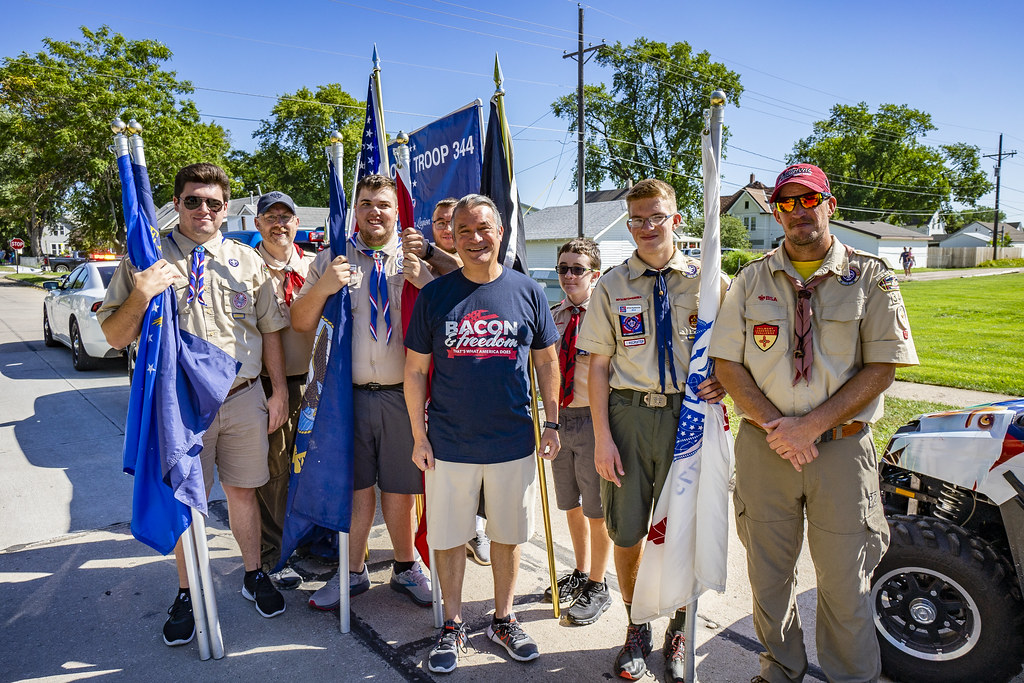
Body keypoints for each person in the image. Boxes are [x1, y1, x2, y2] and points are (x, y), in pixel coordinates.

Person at [711, 163, 919, 683]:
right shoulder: (751, 277)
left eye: (810, 200)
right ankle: (780, 669)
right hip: (765, 447)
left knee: (845, 581)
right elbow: (728, 363)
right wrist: (779, 425)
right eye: (787, 204)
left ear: (830, 205)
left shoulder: (869, 276)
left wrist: (811, 427)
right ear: (777, 212)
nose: (799, 212)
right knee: (768, 577)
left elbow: (883, 366)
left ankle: (852, 676)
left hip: (842, 450)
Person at [98, 162, 291, 646]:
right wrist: (141, 294)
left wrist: (279, 390)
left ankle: (252, 574)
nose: (203, 209)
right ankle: (188, 590)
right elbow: (114, 335)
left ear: (226, 209)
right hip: (179, 405)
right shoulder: (147, 257)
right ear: (177, 204)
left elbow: (268, 329)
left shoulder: (247, 261)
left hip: (244, 397)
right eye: (192, 200)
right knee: (186, 500)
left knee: (244, 491)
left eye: (213, 202)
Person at [404, 194, 561, 674]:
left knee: (507, 536)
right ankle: (451, 624)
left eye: (483, 228)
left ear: (500, 232)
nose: (475, 239)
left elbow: (547, 360)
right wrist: (419, 436)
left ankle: (503, 618)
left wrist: (551, 422)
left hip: (513, 442)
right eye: (464, 230)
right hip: (449, 443)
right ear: (452, 234)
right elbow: (414, 371)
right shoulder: (436, 294)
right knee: (449, 538)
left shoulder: (527, 291)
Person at [576, 178, 726, 682]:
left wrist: (725, 381)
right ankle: (636, 626)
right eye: (636, 219)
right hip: (629, 415)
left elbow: (733, 352)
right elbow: (598, 367)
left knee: (684, 525)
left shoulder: (707, 282)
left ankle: (680, 627)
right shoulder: (612, 284)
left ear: (676, 220)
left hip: (689, 417)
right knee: (628, 529)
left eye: (655, 216)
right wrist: (601, 437)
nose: (644, 227)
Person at [290, 174, 431, 611]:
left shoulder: (413, 258)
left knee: (402, 487)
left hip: (400, 394)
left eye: (384, 204)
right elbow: (299, 321)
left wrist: (425, 281)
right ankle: (351, 572)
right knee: (354, 488)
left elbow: (444, 318)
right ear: (355, 209)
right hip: (345, 396)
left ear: (396, 211)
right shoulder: (331, 258)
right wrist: (325, 286)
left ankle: (406, 567)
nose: (375, 211)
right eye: (366, 202)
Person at [403, 197, 491, 566]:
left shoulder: (468, 268)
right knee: (436, 472)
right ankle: (427, 545)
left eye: (450, 222)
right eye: (440, 222)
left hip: (472, 384)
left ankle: (476, 526)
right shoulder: (414, 265)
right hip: (425, 379)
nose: (445, 228)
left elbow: (463, 285)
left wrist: (427, 284)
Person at [542, 237, 613, 626]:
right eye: (563, 268)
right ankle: (582, 572)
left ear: (595, 275)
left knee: (596, 510)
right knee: (569, 504)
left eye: (577, 269)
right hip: (559, 421)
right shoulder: (553, 315)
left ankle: (599, 584)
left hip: (592, 421)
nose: (569, 276)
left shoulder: (606, 318)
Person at [251, 190, 316, 588]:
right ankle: (275, 552)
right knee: (274, 471)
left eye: (286, 217)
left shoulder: (313, 266)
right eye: (270, 217)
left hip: (312, 382)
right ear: (258, 224)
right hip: (266, 383)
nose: (279, 224)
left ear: (297, 223)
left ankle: (309, 538)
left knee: (307, 465)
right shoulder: (244, 267)